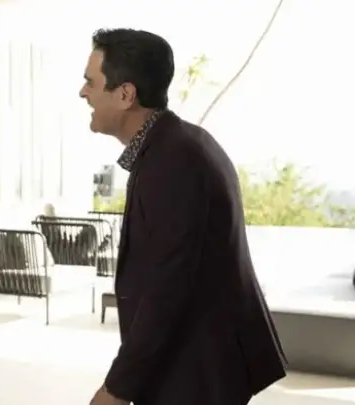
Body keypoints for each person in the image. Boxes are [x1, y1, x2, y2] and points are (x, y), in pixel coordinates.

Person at [79, 29, 287, 405]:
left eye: (90, 82)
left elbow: (167, 286)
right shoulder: (176, 144)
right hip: (194, 364)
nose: (83, 93)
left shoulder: (174, 159)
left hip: (199, 371)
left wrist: (116, 389)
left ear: (125, 95)